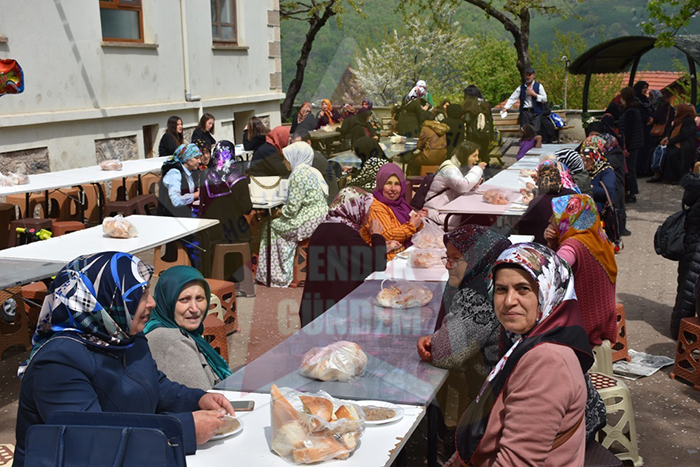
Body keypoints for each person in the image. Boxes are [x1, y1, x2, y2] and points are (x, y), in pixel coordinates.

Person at [13, 252, 235, 466]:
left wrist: (197, 399)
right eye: (140, 295)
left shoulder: (125, 338)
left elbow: (155, 384)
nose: (152, 303)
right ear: (105, 300)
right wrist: (184, 429)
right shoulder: (58, 363)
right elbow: (90, 441)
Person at [452, 243, 593, 467]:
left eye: (523, 289)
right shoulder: (524, 339)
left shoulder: (547, 361)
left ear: (548, 291)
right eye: (501, 289)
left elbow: (517, 462)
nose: (509, 301)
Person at [417, 226, 511, 457]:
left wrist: (433, 343)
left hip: (506, 409)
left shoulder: (478, 295)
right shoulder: (499, 282)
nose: (447, 265)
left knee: (455, 443)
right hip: (513, 394)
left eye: (455, 259)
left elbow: (445, 353)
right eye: (446, 258)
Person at [299, 187, 388, 327]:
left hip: (315, 310)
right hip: (335, 315)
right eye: (366, 209)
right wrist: (377, 235)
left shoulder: (324, 228)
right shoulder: (344, 233)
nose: (368, 214)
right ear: (355, 208)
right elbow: (378, 263)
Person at [545, 194, 618, 346]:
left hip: (584, 326)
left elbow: (550, 273)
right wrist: (553, 243)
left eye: (555, 216)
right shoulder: (598, 238)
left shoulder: (571, 247)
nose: (550, 220)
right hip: (604, 318)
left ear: (569, 219)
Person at [145, 266, 232, 390]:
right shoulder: (171, 341)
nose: (194, 309)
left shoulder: (188, 333)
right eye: (184, 300)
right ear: (167, 301)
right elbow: (203, 396)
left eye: (199, 298)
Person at [255, 142, 329, 288]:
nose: (284, 162)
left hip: (307, 221)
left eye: (286, 158)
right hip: (319, 216)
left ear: (295, 157)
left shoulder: (297, 175)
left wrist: (279, 212)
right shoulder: (311, 171)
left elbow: (292, 209)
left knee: (269, 227)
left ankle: (277, 275)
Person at [196, 141, 253, 276]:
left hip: (212, 232)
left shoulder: (204, 175)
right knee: (249, 234)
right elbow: (246, 208)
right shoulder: (240, 178)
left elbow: (202, 204)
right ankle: (238, 276)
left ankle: (215, 274)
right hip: (235, 232)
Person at [360, 164, 425, 260]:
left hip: (403, 254)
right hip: (386, 260)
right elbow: (387, 235)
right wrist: (412, 226)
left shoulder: (401, 204)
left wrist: (419, 218)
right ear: (381, 185)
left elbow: (412, 226)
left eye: (397, 184)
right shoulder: (375, 206)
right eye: (388, 183)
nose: (393, 189)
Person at [424, 141, 486, 229]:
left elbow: (460, 189)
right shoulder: (449, 170)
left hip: (448, 211)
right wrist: (478, 169)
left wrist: (473, 186)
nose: (477, 159)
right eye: (474, 156)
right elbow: (463, 186)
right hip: (436, 213)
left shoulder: (460, 168)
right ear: (465, 156)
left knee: (480, 217)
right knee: (477, 219)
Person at [516, 160, 577, 245]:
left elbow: (522, 226)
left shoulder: (538, 202)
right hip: (573, 242)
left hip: (545, 246)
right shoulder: (573, 195)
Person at [671, 173, 700, 338]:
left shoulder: (694, 187)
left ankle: (681, 331)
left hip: (691, 245)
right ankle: (682, 333)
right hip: (695, 247)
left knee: (686, 290)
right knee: (688, 293)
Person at [291, 132, 340, 203]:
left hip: (328, 201)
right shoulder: (306, 156)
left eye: (298, 146)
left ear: (308, 143)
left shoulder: (314, 159)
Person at [157, 143, 201, 218]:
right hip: (171, 218)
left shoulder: (190, 172)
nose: (199, 161)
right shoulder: (174, 173)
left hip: (184, 214)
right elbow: (176, 201)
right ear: (186, 158)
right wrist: (197, 194)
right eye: (196, 158)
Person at [502, 67, 548, 134]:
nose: (527, 77)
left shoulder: (539, 86)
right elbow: (513, 98)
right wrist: (506, 107)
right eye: (526, 75)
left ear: (533, 75)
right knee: (525, 131)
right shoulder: (521, 87)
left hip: (536, 112)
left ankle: (534, 140)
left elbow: (545, 99)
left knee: (535, 131)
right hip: (525, 112)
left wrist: (534, 95)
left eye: (529, 75)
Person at [660, 104, 698, 184]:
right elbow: (671, 131)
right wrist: (667, 138)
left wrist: (670, 141)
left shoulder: (689, 121)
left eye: (677, 110)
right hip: (676, 142)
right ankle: (662, 175)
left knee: (673, 155)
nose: (675, 111)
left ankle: (676, 177)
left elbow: (684, 135)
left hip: (685, 144)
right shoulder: (677, 120)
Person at [618, 86, 644, 203]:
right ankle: (630, 191)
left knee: (629, 169)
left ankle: (631, 193)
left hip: (631, 145)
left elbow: (629, 131)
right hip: (635, 143)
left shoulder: (630, 112)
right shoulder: (634, 109)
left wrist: (626, 147)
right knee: (630, 168)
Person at [648, 90, 675, 183]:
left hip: (661, 134)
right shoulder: (672, 109)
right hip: (667, 133)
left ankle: (656, 173)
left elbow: (654, 118)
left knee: (657, 153)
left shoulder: (661, 109)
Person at [463, 85, 494, 164]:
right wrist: (491, 135)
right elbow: (490, 120)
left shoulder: (469, 104)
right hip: (485, 132)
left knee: (472, 153)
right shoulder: (485, 104)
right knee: (484, 153)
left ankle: (474, 169)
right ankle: (485, 167)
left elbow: (467, 119)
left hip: (472, 133)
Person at [582, 146, 616, 216]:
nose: (585, 163)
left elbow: (608, 192)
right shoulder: (584, 171)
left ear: (595, 158)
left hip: (601, 212)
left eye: (588, 160)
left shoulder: (606, 171)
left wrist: (590, 188)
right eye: (583, 160)